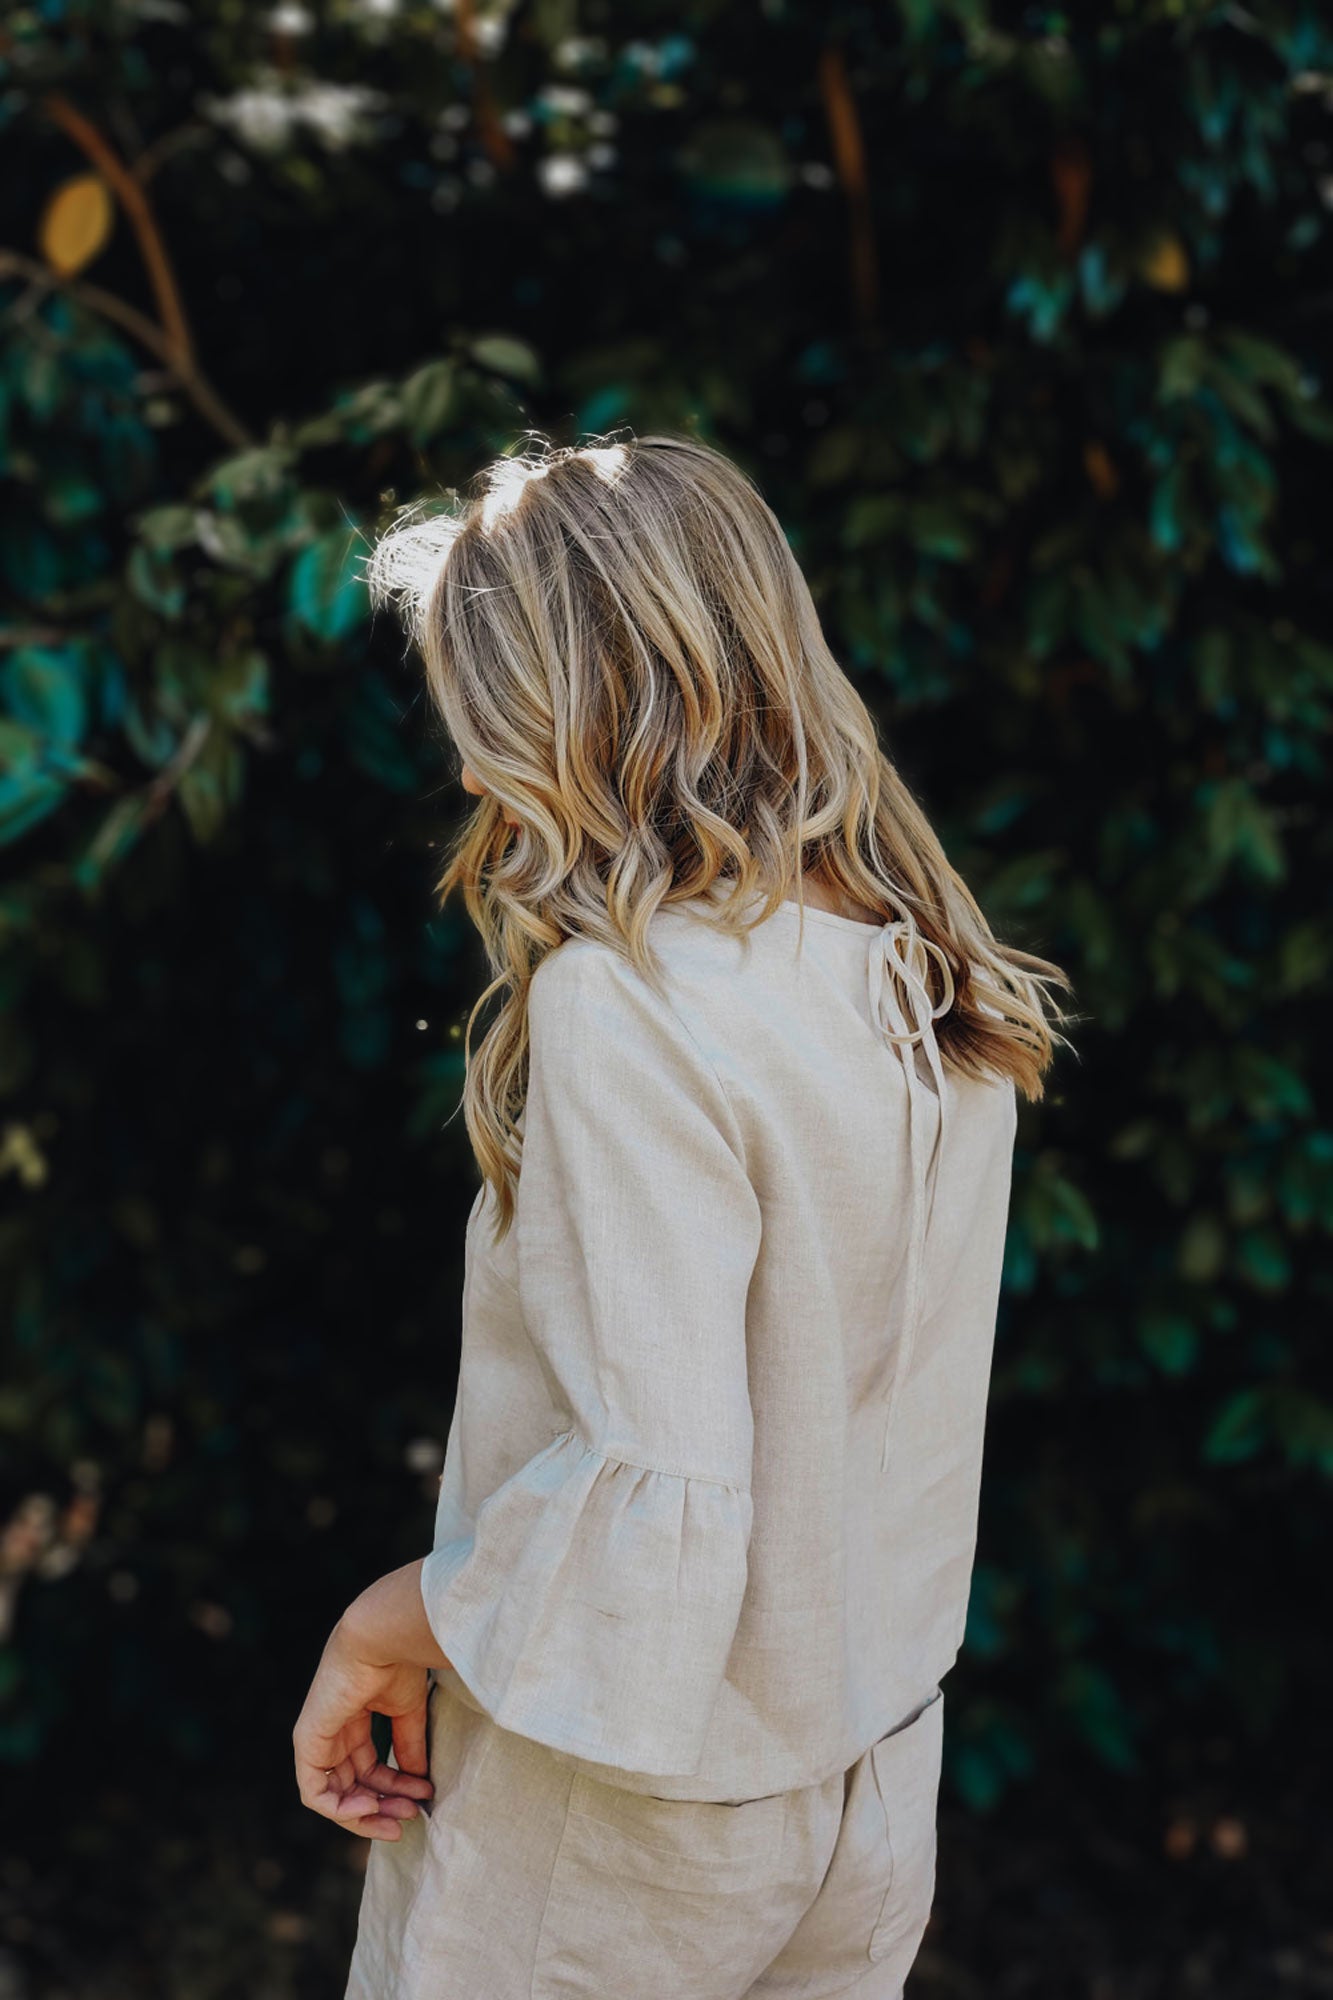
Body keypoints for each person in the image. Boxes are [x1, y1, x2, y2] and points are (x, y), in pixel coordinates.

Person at [292, 432, 1074, 1999]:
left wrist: (386, 1623)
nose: (465, 771)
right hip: (868, 1779)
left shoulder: (630, 1003)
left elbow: (663, 1489)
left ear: (564, 709)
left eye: (483, 714)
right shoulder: (925, 970)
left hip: (619, 1819)